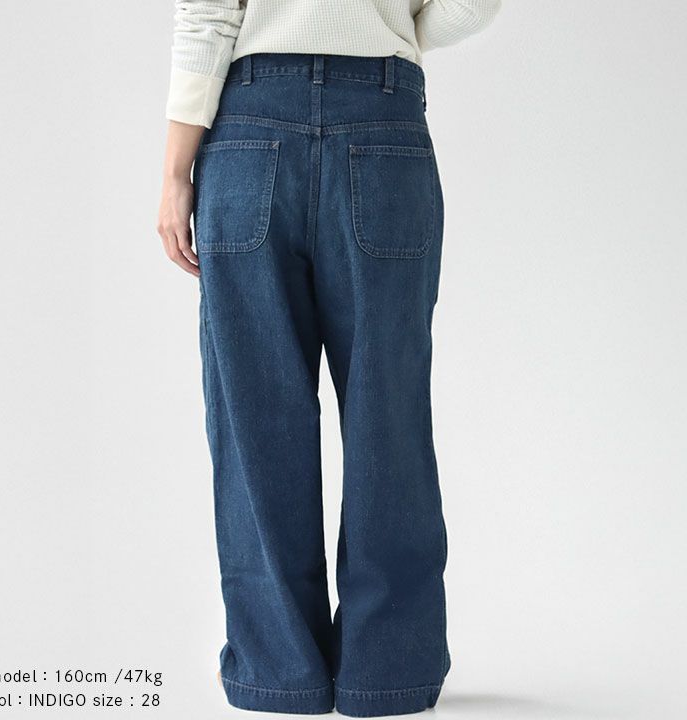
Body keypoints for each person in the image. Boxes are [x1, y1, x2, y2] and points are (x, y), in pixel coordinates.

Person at [157, 1, 501, 716]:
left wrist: (175, 173)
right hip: (384, 127)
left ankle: (278, 671)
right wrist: (392, 29)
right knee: (389, 417)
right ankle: (388, 672)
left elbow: (208, 16)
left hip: (249, 135)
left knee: (254, 420)